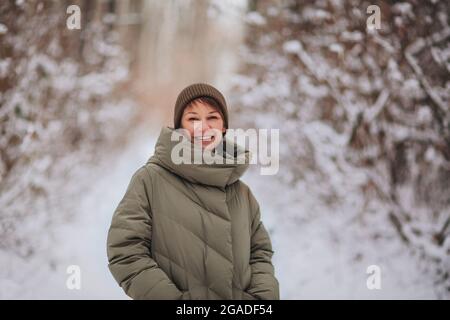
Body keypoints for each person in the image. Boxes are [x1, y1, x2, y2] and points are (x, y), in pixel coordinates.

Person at [106, 83, 279, 300]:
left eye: (212, 117)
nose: (203, 128)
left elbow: (260, 253)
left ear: (224, 126)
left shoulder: (242, 193)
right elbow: (126, 252)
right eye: (193, 119)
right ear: (179, 126)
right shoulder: (149, 180)